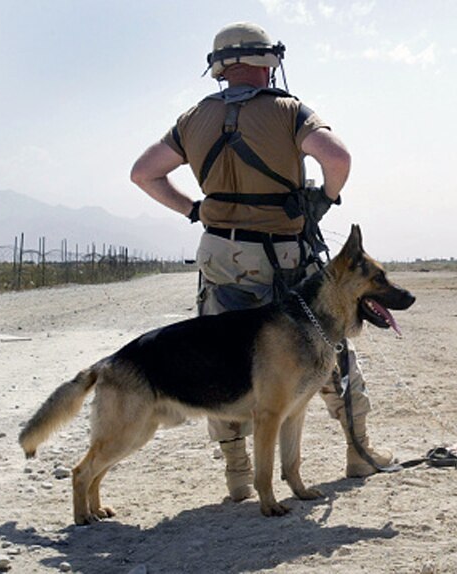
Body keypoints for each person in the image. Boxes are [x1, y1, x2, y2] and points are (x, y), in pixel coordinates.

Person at [130, 22, 393, 502]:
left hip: (220, 255)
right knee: (325, 350)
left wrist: (193, 210)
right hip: (284, 256)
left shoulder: (192, 119)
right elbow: (337, 158)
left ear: (220, 67)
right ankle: (359, 452)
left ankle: (238, 475)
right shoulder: (289, 110)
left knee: (220, 360)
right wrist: (323, 199)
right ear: (268, 61)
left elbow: (143, 174)